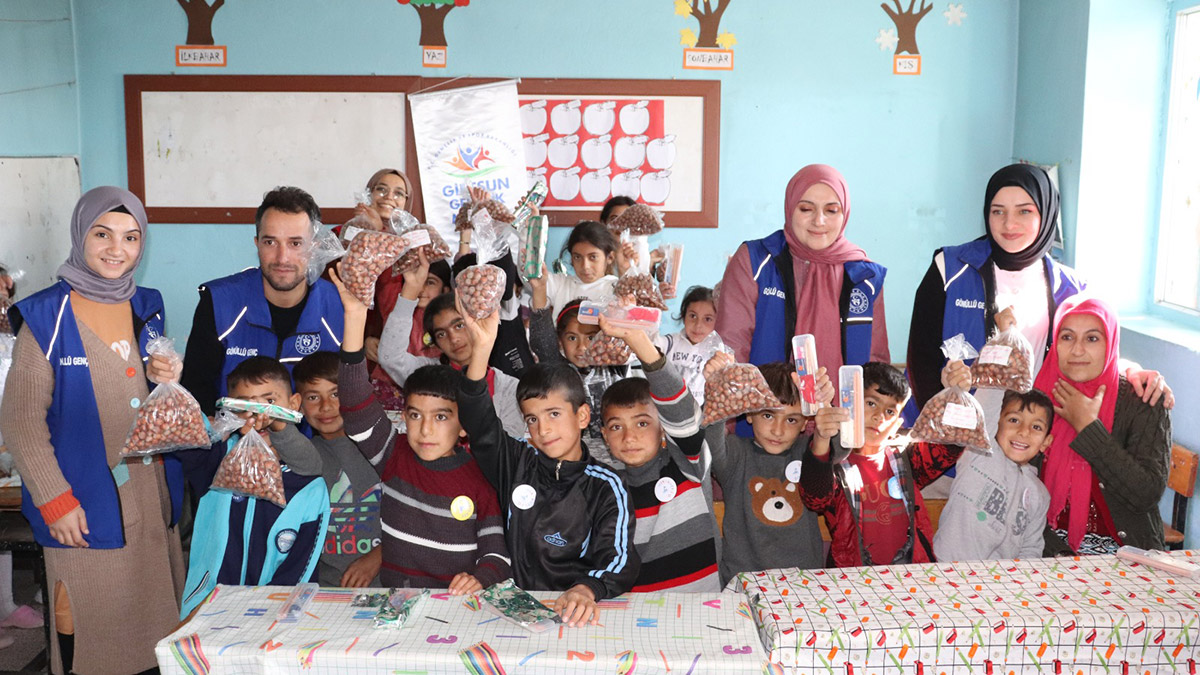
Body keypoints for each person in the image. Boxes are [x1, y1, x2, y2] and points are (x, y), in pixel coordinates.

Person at [0, 187, 188, 674]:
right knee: (93, 645)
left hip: (149, 505)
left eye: (131, 237)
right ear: (80, 235)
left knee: (158, 642)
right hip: (82, 510)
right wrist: (55, 500)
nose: (116, 248)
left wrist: (168, 378)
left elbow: (147, 398)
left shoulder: (147, 305)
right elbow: (20, 422)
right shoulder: (46, 317)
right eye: (102, 234)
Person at [906, 163, 1171, 453]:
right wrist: (950, 435)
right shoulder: (950, 268)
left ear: (1046, 214)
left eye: (1024, 211)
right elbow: (920, 359)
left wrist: (1132, 371)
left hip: (1028, 446)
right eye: (998, 211)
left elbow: (1087, 354)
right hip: (952, 442)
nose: (1009, 224)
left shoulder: (1071, 288)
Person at [456, 301, 639, 627]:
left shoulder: (607, 485)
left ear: (582, 416)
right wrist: (481, 349)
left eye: (554, 414)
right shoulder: (515, 462)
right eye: (533, 419)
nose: (543, 429)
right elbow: (479, 422)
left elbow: (619, 558)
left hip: (574, 613)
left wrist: (587, 589)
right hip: (510, 612)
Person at [328, 272, 511, 590]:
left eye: (441, 417)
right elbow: (355, 403)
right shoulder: (393, 453)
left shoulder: (482, 481)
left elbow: (497, 557)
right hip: (395, 605)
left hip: (456, 610)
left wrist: (480, 578)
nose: (425, 429)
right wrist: (355, 319)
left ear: (465, 426)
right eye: (415, 415)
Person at [179, 357, 328, 618]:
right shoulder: (217, 463)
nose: (259, 417)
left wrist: (266, 615)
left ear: (293, 404)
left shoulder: (308, 485)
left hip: (273, 619)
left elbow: (300, 568)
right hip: (206, 610)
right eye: (244, 406)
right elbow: (186, 438)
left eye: (270, 403)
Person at [182, 186, 344, 415]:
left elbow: (351, 403)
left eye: (295, 243)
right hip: (231, 445)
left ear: (314, 248)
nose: (282, 257)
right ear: (257, 243)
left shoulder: (341, 306)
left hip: (312, 448)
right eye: (270, 242)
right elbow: (196, 399)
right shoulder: (219, 302)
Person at [715, 163, 889, 375]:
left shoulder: (865, 276)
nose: (819, 220)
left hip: (844, 407)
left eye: (831, 210)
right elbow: (732, 348)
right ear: (789, 208)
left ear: (845, 214)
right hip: (766, 405)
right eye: (806, 209)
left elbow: (876, 363)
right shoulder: (755, 261)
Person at [1034, 297, 1171, 556]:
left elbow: (1145, 494)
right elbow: (1018, 495)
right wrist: (1059, 556)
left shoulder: (1143, 400)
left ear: (1110, 343)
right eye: (1067, 337)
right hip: (1045, 550)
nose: (1077, 350)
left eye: (1092, 338)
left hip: (1126, 554)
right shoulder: (1038, 401)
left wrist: (1088, 428)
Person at [599, 318, 721, 592]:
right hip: (635, 617)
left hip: (701, 609)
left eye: (642, 423)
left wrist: (645, 350)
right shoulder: (607, 487)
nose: (629, 437)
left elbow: (681, 412)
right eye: (617, 427)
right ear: (605, 436)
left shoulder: (688, 466)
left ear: (664, 429)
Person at [803, 363, 963, 567]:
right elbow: (814, 499)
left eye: (890, 411)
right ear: (849, 404)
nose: (879, 416)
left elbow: (950, 447)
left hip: (911, 575)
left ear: (897, 423)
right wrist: (821, 438)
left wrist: (954, 395)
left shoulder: (907, 456)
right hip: (852, 580)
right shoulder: (835, 463)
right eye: (871, 403)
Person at [702, 356, 833, 584]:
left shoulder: (808, 451)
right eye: (768, 415)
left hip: (804, 585)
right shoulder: (735, 455)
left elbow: (839, 445)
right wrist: (717, 391)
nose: (778, 430)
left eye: (791, 420)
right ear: (749, 414)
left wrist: (827, 409)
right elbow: (710, 441)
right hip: (743, 585)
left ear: (805, 423)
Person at [376, 257, 526, 438]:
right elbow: (389, 357)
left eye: (459, 325)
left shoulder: (509, 387)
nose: (453, 338)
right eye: (441, 334)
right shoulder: (425, 374)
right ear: (436, 344)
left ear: (476, 323)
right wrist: (409, 292)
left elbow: (507, 446)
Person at [932, 389, 1054, 561]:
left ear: (1046, 442)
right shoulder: (979, 454)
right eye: (1014, 420)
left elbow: (1031, 548)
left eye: (1036, 427)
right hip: (947, 571)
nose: (1024, 432)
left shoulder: (1039, 494)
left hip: (999, 582)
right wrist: (1004, 370)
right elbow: (985, 405)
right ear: (996, 424)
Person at [293, 352, 382, 588]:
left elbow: (415, 515)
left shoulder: (382, 447)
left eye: (336, 394)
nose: (326, 406)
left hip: (387, 584)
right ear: (298, 404)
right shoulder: (302, 457)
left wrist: (379, 556)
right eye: (313, 397)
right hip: (325, 590)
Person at [526, 297, 633, 467]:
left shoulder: (614, 364)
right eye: (572, 338)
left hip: (619, 461)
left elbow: (629, 337)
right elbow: (541, 341)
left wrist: (624, 311)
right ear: (560, 342)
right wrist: (539, 291)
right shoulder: (559, 371)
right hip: (575, 464)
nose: (582, 347)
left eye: (590, 338)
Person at [655, 285, 726, 406]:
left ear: (718, 321)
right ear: (683, 317)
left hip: (699, 417)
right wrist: (656, 304)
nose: (698, 325)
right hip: (666, 412)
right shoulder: (670, 342)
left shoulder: (719, 352)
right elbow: (647, 342)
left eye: (707, 319)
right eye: (693, 316)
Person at [537, 221, 621, 320]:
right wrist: (531, 228)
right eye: (577, 257)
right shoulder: (560, 285)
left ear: (610, 257)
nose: (585, 266)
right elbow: (530, 275)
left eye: (593, 257)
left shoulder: (615, 289)